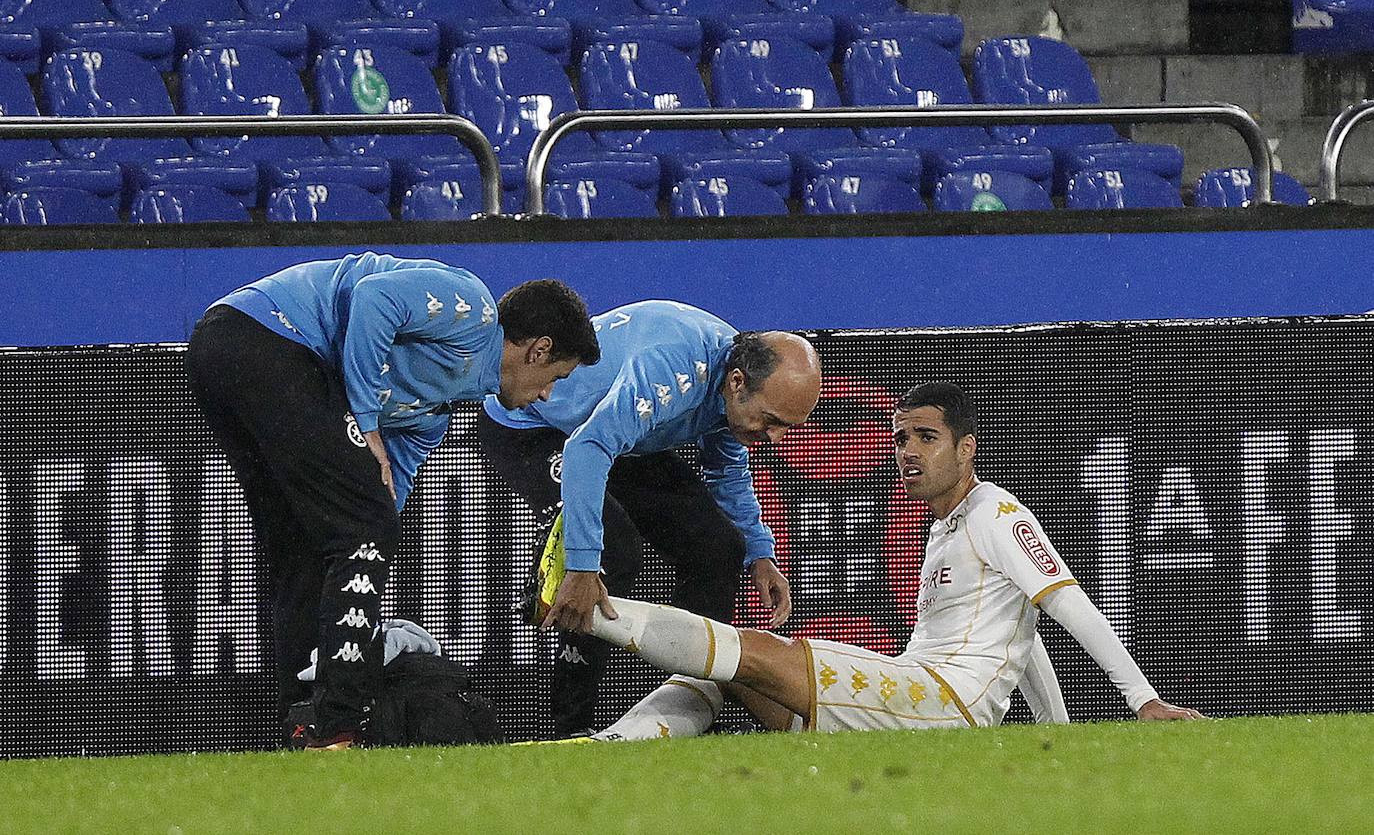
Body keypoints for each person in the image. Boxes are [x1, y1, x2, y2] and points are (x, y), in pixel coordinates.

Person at [540, 382, 1201, 740]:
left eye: (926, 438)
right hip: (918, 694)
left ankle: (588, 613)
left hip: (943, 703)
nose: (908, 451)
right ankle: (604, 752)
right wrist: (1058, 738)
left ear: (966, 449)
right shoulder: (944, 530)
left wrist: (1143, 701)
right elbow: (1023, 638)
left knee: (757, 651)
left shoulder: (996, 512)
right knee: (736, 676)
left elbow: (1067, 605)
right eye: (899, 438)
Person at [185, 252, 600, 748]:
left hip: (222, 353)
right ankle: (337, 724)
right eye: (556, 377)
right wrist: (366, 416)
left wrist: (361, 579)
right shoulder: (475, 307)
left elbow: (383, 504)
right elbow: (374, 298)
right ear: (538, 349)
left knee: (306, 549)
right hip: (264, 337)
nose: (549, 396)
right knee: (357, 533)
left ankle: (301, 724)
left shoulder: (433, 415)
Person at [477, 300, 821, 736]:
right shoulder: (673, 368)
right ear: (737, 383)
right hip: (531, 425)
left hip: (615, 438)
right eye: (772, 422)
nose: (773, 438)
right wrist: (582, 567)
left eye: (787, 426)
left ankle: (688, 711)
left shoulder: (741, 379)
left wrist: (758, 551)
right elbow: (587, 449)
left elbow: (725, 468)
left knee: (719, 548)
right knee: (612, 552)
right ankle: (569, 730)